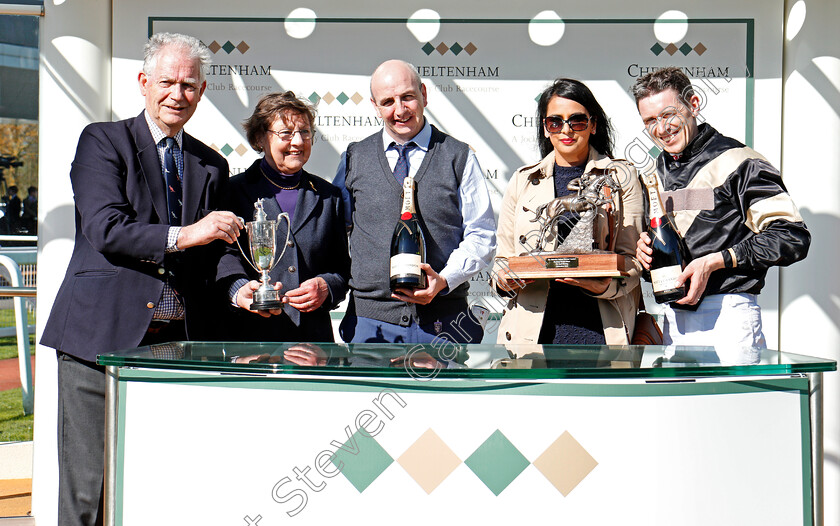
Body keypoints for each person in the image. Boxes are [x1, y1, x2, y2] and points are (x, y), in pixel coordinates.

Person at [40, 33, 244, 526]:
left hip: (176, 348)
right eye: (168, 82)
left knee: (158, 485)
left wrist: (242, 289)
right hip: (99, 341)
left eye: (190, 85)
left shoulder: (211, 164)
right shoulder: (103, 141)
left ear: (201, 92)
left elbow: (214, 254)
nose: (178, 94)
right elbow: (105, 228)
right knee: (87, 492)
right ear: (143, 83)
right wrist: (186, 233)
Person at [632, 66, 810, 350]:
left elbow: (792, 239)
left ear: (693, 104)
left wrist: (716, 261)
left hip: (729, 315)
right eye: (650, 120)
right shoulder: (656, 172)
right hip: (673, 319)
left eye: (668, 115)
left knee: (732, 397)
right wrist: (646, 255)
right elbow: (668, 254)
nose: (661, 129)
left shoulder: (740, 161)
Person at [334, 59, 496, 344]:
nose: (400, 110)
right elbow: (335, 232)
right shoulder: (354, 157)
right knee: (371, 391)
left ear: (423, 94)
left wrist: (443, 281)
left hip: (443, 324)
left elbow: (481, 235)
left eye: (408, 97)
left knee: (444, 392)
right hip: (369, 326)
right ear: (374, 106)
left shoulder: (459, 156)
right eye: (388, 101)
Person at [494, 79, 643, 345]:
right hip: (531, 335)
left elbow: (632, 259)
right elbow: (502, 261)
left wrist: (605, 286)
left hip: (602, 332)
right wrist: (505, 281)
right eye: (555, 122)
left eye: (577, 121)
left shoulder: (621, 177)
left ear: (593, 124)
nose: (566, 130)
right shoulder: (522, 181)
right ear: (545, 127)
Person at [217, 91, 350, 341]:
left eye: (305, 132)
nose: (298, 141)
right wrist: (239, 289)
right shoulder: (231, 191)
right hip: (249, 338)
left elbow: (342, 269)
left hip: (312, 341)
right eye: (286, 133)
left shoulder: (328, 196)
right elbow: (221, 258)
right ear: (259, 138)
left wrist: (326, 287)